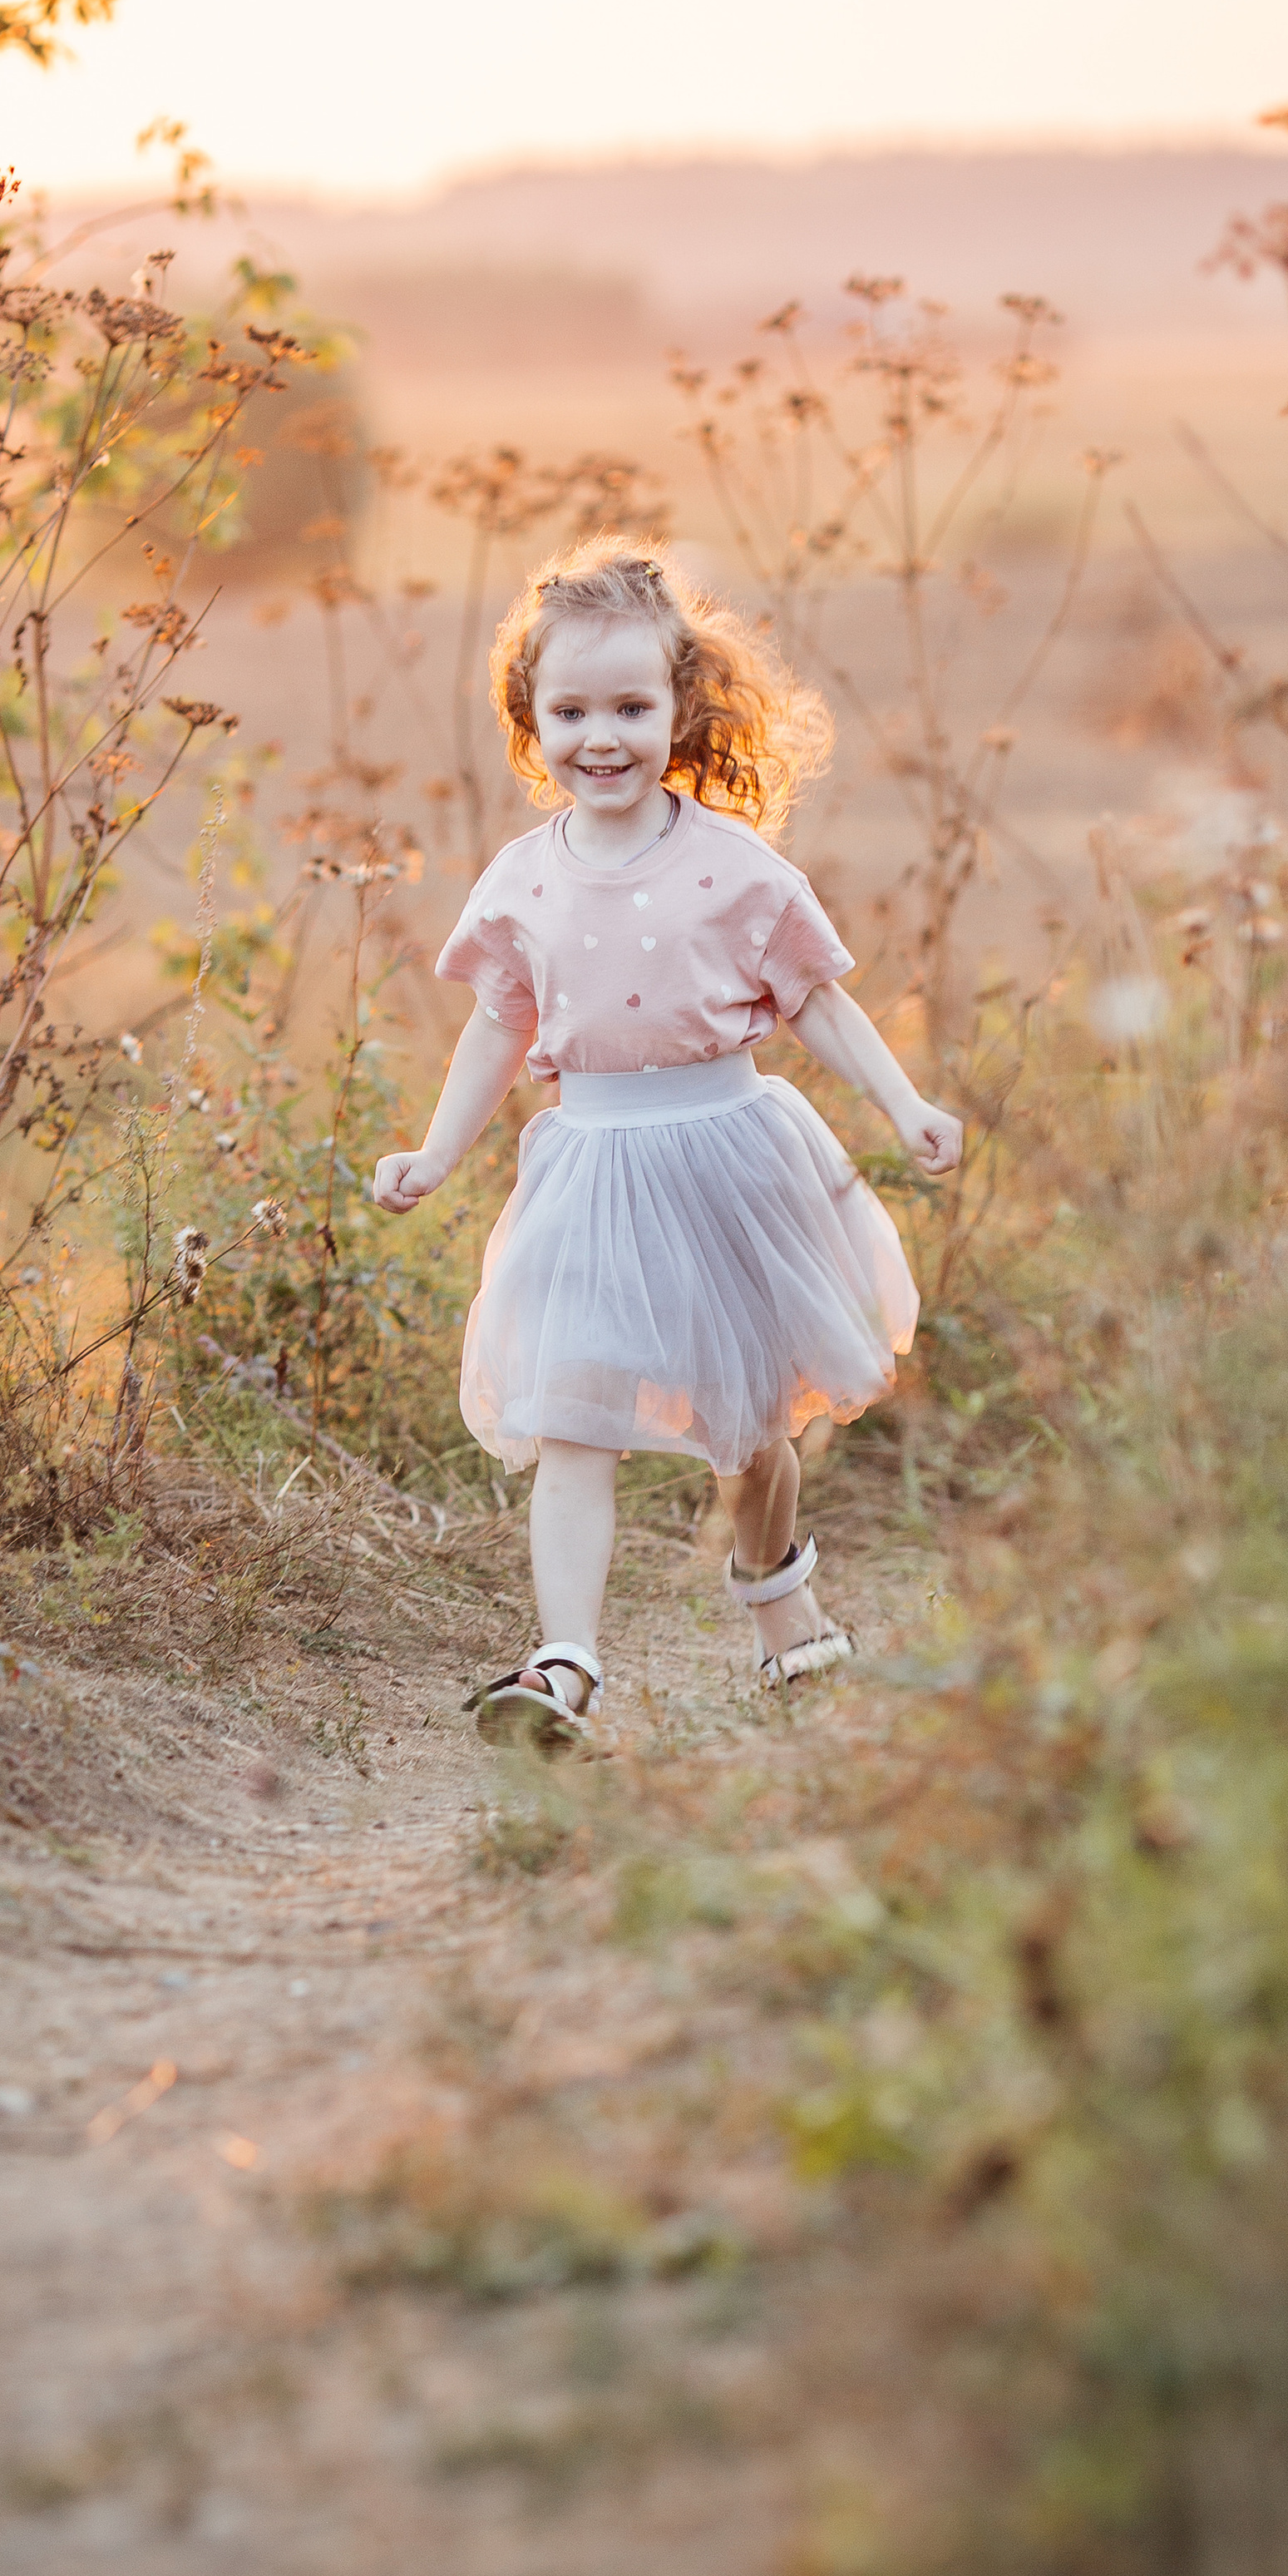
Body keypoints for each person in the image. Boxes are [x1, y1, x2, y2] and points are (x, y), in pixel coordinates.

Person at [371, 537, 963, 1746]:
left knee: (751, 1431)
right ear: (531, 719)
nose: (602, 738)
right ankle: (564, 1665)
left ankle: (781, 1602)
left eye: (631, 708)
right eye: (571, 711)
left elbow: (817, 1001)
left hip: (734, 1163)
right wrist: (433, 1154)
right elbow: (497, 1026)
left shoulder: (735, 869)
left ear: (680, 707)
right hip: (591, 1174)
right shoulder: (521, 882)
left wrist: (905, 1105)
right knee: (572, 1421)